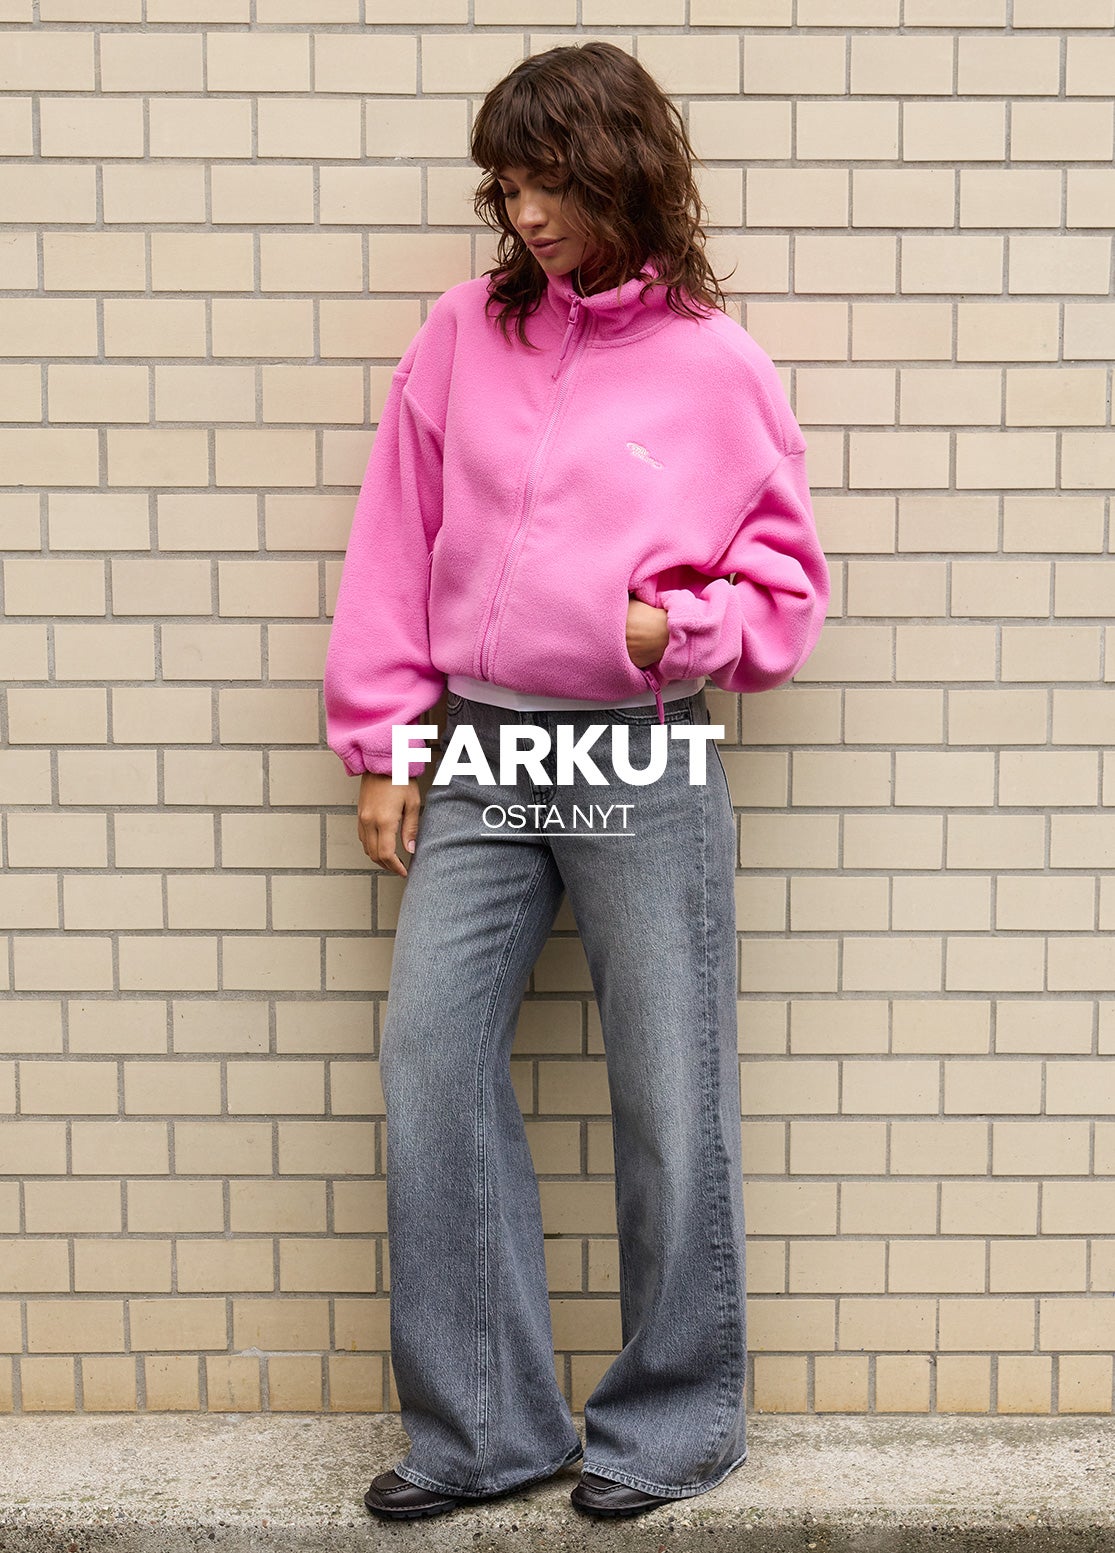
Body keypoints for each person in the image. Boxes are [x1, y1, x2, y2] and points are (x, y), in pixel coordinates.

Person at [323, 40, 829, 1523]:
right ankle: (488, 1430)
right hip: (484, 746)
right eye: (509, 187)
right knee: (430, 1060)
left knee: (669, 1086)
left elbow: (787, 587)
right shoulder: (461, 333)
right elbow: (396, 532)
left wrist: (677, 630)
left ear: (624, 174)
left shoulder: (717, 366)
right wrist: (387, 740)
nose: (527, 214)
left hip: (640, 745)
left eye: (550, 182)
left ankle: (673, 1426)